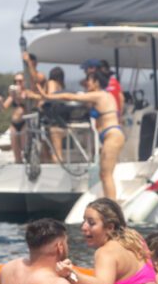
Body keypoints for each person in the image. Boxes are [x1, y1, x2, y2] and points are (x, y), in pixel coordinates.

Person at [38, 71, 125, 199]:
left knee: (106, 175)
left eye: (89, 80)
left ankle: (113, 206)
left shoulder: (100, 95)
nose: (86, 83)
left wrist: (48, 96)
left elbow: (70, 97)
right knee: (104, 174)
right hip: (110, 135)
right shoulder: (102, 96)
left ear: (96, 82)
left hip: (112, 135)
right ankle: (110, 203)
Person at [55, 198, 156, 284]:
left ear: (109, 228)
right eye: (84, 221)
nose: (83, 227)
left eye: (91, 223)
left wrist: (69, 275)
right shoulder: (135, 239)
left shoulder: (105, 252)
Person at [0, 72, 28, 162]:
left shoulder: (26, 93)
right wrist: (0, 102)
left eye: (20, 81)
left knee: (24, 148)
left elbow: (24, 103)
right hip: (14, 124)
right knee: (15, 150)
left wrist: (16, 96)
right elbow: (3, 108)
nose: (17, 83)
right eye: (16, 81)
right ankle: (18, 164)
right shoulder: (12, 95)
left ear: (24, 82)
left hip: (24, 123)